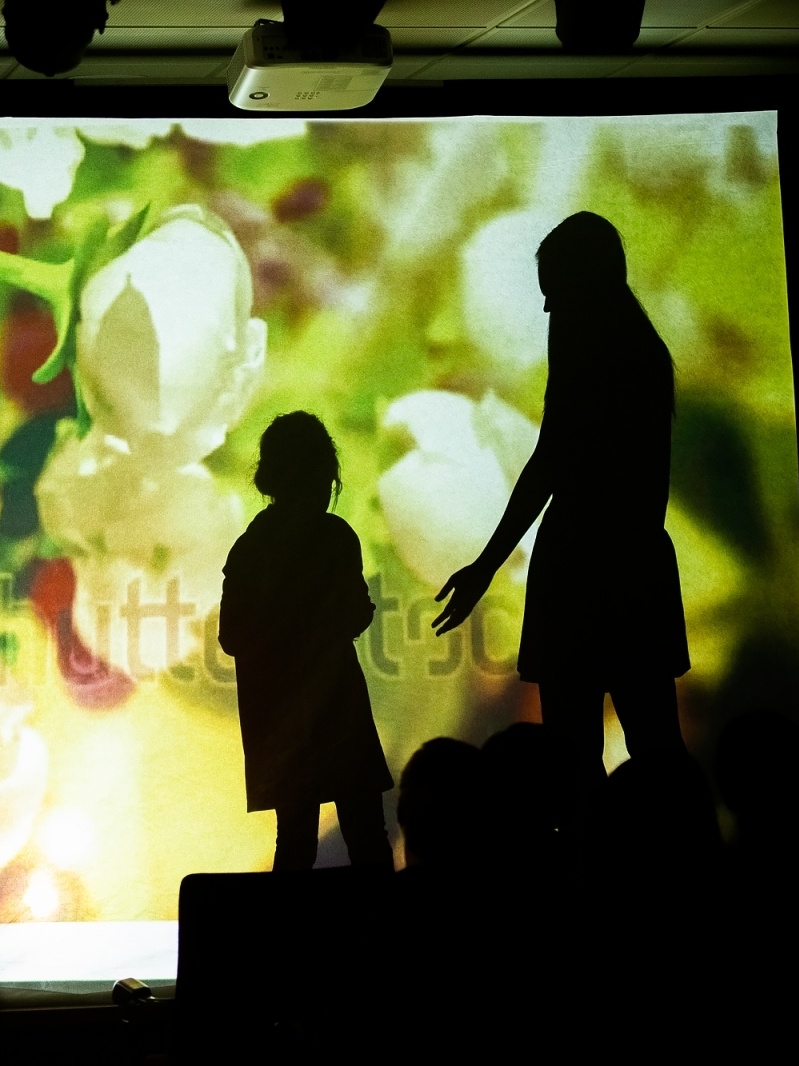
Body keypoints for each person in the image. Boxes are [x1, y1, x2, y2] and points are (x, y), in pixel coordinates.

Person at [433, 212, 691, 804]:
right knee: (658, 746)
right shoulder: (644, 350)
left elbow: (549, 463)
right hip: (638, 567)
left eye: (555, 293)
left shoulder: (585, 342)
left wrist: (487, 564)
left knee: (572, 760)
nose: (549, 311)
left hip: (578, 569)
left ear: (582, 284)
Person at [219, 411, 395, 871]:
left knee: (294, 843)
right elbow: (354, 613)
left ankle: (283, 941)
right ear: (323, 471)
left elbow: (231, 636)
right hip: (338, 709)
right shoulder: (336, 538)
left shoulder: (248, 547)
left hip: (278, 722)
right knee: (367, 837)